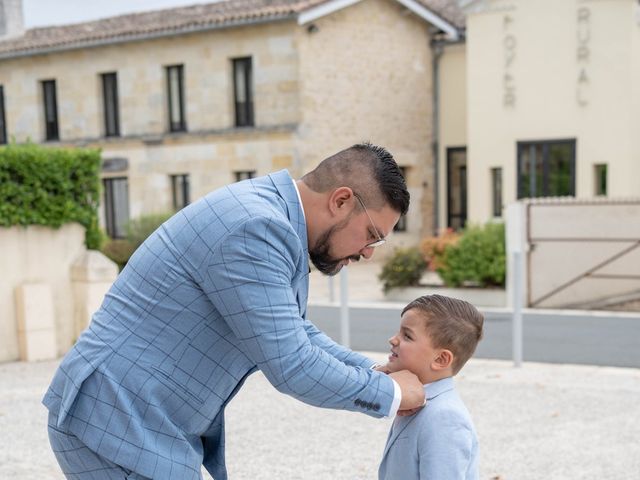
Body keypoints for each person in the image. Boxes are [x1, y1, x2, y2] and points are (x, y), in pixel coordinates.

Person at [43, 142, 426, 480]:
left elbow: (294, 330)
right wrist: (392, 393)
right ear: (340, 201)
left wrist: (374, 371)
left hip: (141, 422)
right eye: (372, 234)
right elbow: (293, 366)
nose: (369, 252)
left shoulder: (272, 216)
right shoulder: (257, 227)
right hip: (117, 421)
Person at [378, 294, 484, 480]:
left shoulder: (445, 417)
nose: (393, 339)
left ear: (441, 359)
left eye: (407, 336)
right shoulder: (415, 399)